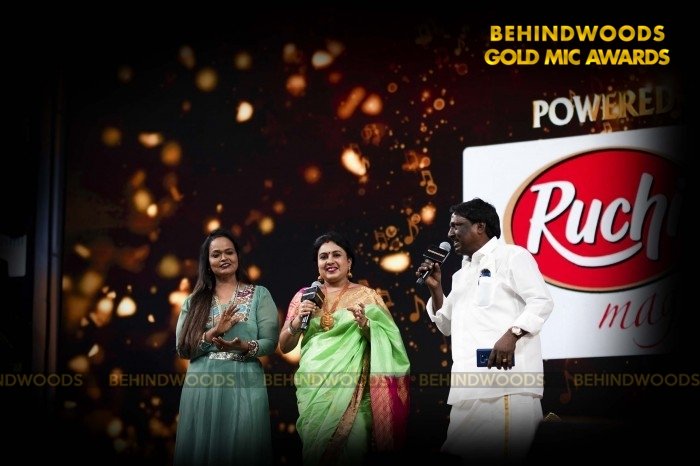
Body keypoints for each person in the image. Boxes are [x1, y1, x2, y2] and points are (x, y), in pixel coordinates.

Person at [416, 198, 554, 464]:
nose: (450, 233)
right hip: (467, 388)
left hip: (504, 385)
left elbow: (541, 301)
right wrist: (436, 289)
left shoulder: (512, 256)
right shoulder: (462, 273)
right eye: (450, 226)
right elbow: (446, 324)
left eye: (457, 225)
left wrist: (513, 333)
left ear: (480, 226)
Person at [279, 231, 411, 465]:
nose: (329, 261)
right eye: (323, 257)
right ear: (317, 264)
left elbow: (391, 342)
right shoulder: (303, 297)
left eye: (336, 255)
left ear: (349, 262)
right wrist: (298, 320)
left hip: (354, 391)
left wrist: (367, 325)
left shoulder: (367, 296)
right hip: (314, 388)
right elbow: (285, 345)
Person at [174, 228, 279, 465]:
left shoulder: (259, 295)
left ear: (237, 256)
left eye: (229, 252)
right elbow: (183, 349)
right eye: (216, 254)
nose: (224, 258)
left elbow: (271, 342)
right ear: (207, 262)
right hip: (202, 384)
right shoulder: (194, 301)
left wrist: (245, 346)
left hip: (245, 381)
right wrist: (214, 332)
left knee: (244, 448)